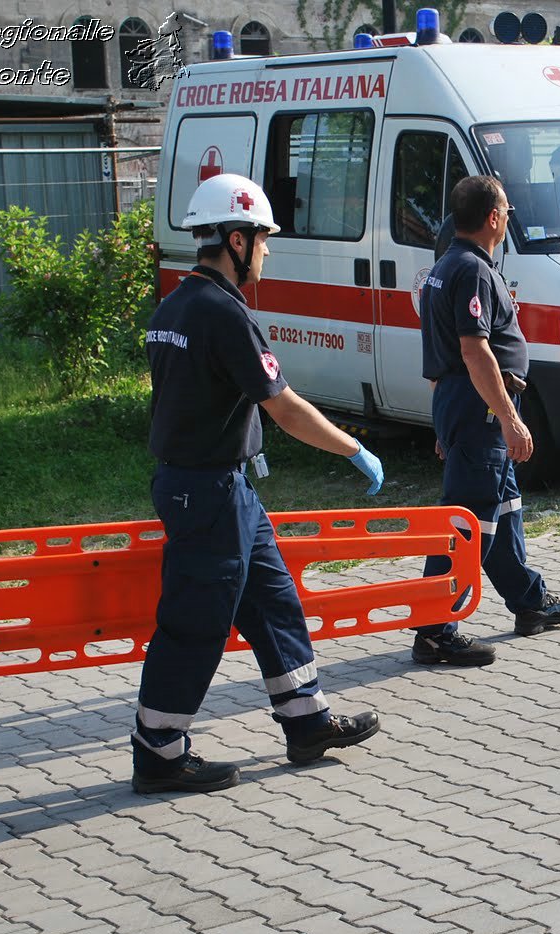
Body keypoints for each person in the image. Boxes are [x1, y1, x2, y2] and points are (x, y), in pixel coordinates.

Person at [133, 173, 385, 793]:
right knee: (196, 622)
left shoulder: (175, 304)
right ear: (237, 241)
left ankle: (307, 721)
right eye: (264, 241)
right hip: (207, 492)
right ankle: (158, 749)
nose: (268, 252)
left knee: (273, 600)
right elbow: (283, 405)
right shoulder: (224, 313)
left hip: (221, 487)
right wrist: (352, 447)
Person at [410, 175, 560, 667]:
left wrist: (447, 424)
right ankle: (435, 628)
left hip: (464, 405)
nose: (508, 218)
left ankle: (530, 602)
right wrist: (508, 417)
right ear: (492, 218)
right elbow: (473, 349)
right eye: (505, 210)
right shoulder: (473, 272)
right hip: (480, 406)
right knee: (465, 523)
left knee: (501, 511)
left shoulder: (445, 267)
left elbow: (439, 357)